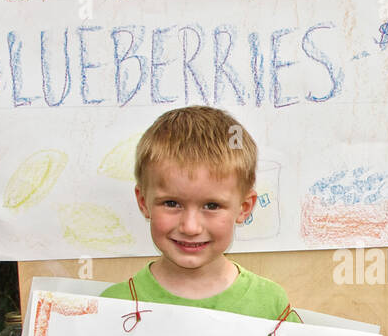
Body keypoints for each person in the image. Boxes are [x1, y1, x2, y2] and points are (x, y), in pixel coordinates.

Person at [101, 106, 290, 320]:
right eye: (172, 203)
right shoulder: (112, 306)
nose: (190, 227)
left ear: (244, 208)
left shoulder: (271, 304)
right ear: (143, 202)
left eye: (211, 206)